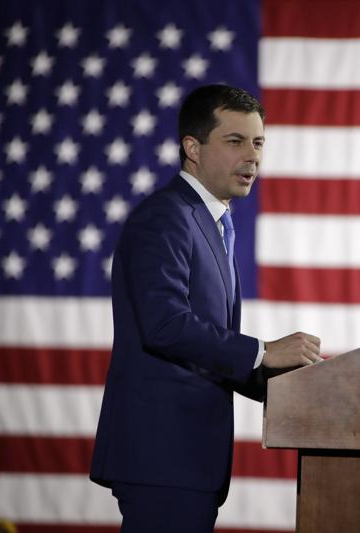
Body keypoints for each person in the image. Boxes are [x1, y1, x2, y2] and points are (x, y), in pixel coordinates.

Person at [89, 84, 322, 532]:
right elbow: (165, 325)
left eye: (258, 143)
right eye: (235, 141)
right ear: (192, 148)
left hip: (188, 460)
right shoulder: (166, 217)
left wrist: (296, 384)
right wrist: (262, 351)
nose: (252, 157)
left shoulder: (211, 222)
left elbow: (208, 351)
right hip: (162, 456)